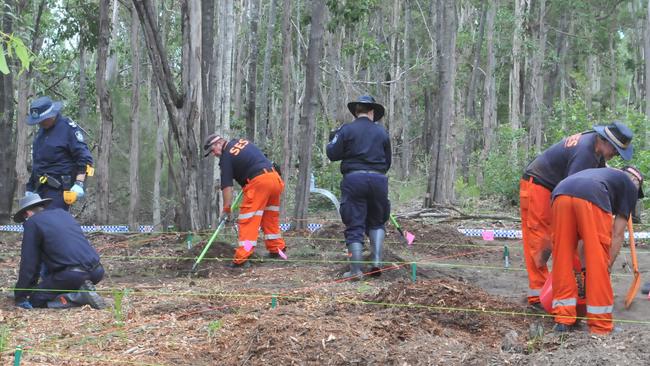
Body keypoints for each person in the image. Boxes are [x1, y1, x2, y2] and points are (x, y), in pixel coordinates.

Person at [519, 121, 633, 309]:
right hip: (539, 186)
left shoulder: (595, 150)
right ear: (605, 142)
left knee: (564, 240)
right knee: (541, 242)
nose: (615, 155)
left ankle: (569, 292)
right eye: (615, 150)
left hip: (554, 187)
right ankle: (538, 297)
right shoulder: (585, 153)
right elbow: (573, 189)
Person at [550, 166, 643, 334]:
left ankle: (563, 319)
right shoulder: (630, 188)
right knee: (599, 262)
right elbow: (617, 233)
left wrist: (583, 269)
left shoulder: (603, 175)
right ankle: (601, 325)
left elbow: (581, 238)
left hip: (560, 193)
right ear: (636, 182)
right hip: (592, 197)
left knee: (562, 256)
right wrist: (606, 265)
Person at [326, 95, 391, 279]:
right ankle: (376, 262)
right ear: (371, 112)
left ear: (356, 112)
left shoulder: (346, 130)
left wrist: (333, 139)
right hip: (379, 180)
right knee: (377, 220)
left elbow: (332, 153)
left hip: (354, 179)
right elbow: (388, 162)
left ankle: (355, 270)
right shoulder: (382, 132)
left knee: (355, 222)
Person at [203, 134, 286, 267]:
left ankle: (243, 257)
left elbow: (227, 186)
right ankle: (277, 249)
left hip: (259, 183)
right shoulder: (241, 142)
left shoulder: (226, 157)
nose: (214, 154)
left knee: (247, 221)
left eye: (213, 150)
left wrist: (226, 208)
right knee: (269, 217)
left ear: (219, 143)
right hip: (274, 178)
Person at [13, 193, 106, 309]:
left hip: (72, 275)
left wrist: (21, 295)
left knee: (36, 299)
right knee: (58, 284)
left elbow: (29, 263)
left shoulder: (32, 223)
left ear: (27, 213)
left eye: (24, 219)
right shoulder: (63, 214)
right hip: (97, 271)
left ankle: (78, 298)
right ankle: (80, 289)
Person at [25, 96, 94, 211]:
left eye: (42, 120)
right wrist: (30, 187)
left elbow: (85, 158)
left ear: (51, 114)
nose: (40, 123)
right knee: (37, 225)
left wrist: (79, 183)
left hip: (59, 191)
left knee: (53, 224)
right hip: (39, 189)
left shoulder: (68, 129)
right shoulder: (41, 133)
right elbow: (38, 162)